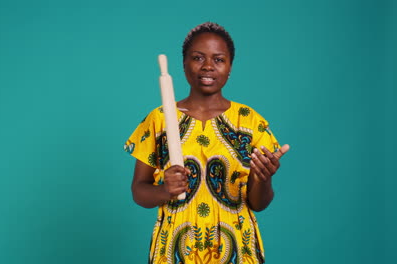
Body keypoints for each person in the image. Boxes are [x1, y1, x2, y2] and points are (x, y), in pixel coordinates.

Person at [124, 22, 290, 264]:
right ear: (184, 64)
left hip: (237, 251)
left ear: (230, 67)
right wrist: (164, 190)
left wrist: (263, 178)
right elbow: (139, 191)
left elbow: (259, 203)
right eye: (198, 58)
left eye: (219, 59)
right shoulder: (158, 120)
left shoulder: (250, 122)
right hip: (174, 251)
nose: (208, 66)